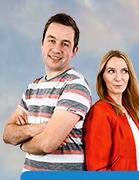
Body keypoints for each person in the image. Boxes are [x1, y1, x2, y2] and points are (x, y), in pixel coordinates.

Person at [3, 12, 88, 170]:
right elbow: (7, 134)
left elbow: (47, 144)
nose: (56, 49)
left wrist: (22, 143)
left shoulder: (75, 85)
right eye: (52, 40)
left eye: (65, 44)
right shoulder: (33, 87)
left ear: (74, 51)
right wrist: (36, 128)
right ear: (42, 43)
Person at [82, 48, 139, 170]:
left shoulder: (130, 112)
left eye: (124, 71)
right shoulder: (100, 112)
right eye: (111, 71)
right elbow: (97, 169)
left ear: (130, 76)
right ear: (102, 77)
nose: (119, 78)